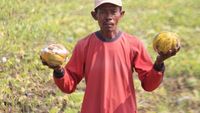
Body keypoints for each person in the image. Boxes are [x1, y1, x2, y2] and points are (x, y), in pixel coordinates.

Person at [41, 0, 180, 113]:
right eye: (103, 12)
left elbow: (149, 85)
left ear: (121, 14)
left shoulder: (134, 44)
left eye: (113, 11)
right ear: (94, 15)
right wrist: (58, 70)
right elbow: (68, 85)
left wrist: (159, 63)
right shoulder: (83, 45)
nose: (108, 17)